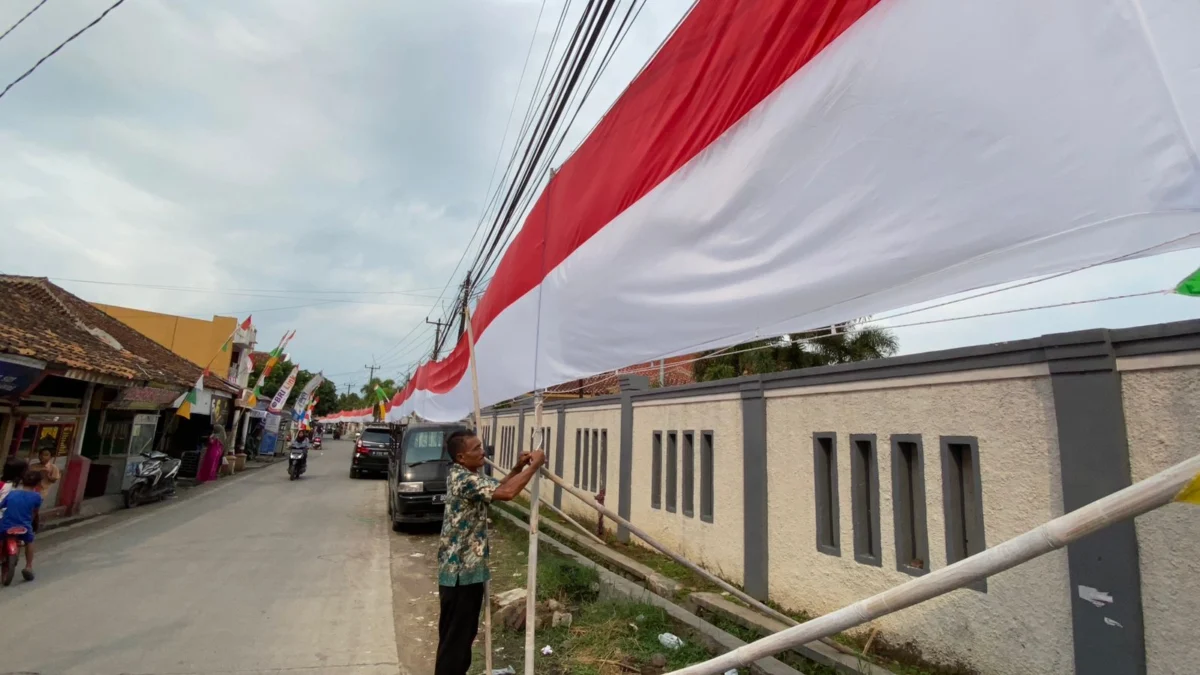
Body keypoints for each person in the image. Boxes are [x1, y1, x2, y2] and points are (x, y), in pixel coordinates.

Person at [435, 430, 545, 675]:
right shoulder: (464, 479)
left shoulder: (466, 475)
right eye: (476, 449)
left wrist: (517, 469)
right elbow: (507, 494)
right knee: (456, 642)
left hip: (465, 573)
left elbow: (496, 488)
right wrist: (534, 466)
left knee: (461, 640)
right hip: (460, 574)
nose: (482, 451)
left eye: (481, 446)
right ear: (461, 457)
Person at [0, 470, 43, 582]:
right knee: (30, 540)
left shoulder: (12, 494)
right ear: (38, 483)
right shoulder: (37, 497)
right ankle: (28, 566)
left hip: (6, 526)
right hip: (24, 527)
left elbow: (1, 506)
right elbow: (34, 512)